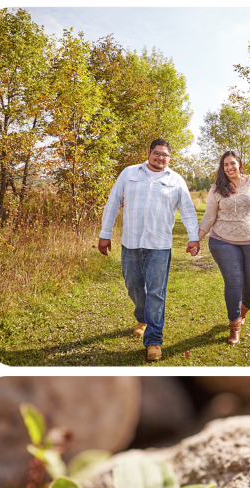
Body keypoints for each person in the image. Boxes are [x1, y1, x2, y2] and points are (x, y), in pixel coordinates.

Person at [98, 138, 200, 362]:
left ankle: (154, 340)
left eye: (165, 155)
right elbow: (113, 202)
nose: (160, 158)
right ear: (149, 153)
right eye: (157, 153)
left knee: (156, 292)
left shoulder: (176, 180)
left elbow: (189, 211)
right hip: (131, 242)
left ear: (169, 157)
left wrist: (194, 237)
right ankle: (142, 318)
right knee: (133, 285)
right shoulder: (129, 173)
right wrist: (105, 234)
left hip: (160, 245)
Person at [195, 151, 250, 345]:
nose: (229, 168)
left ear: (239, 163)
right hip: (223, 241)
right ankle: (234, 326)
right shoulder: (217, 188)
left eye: (232, 163)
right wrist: (196, 239)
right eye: (225, 165)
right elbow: (208, 217)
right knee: (234, 281)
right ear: (222, 168)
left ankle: (245, 306)